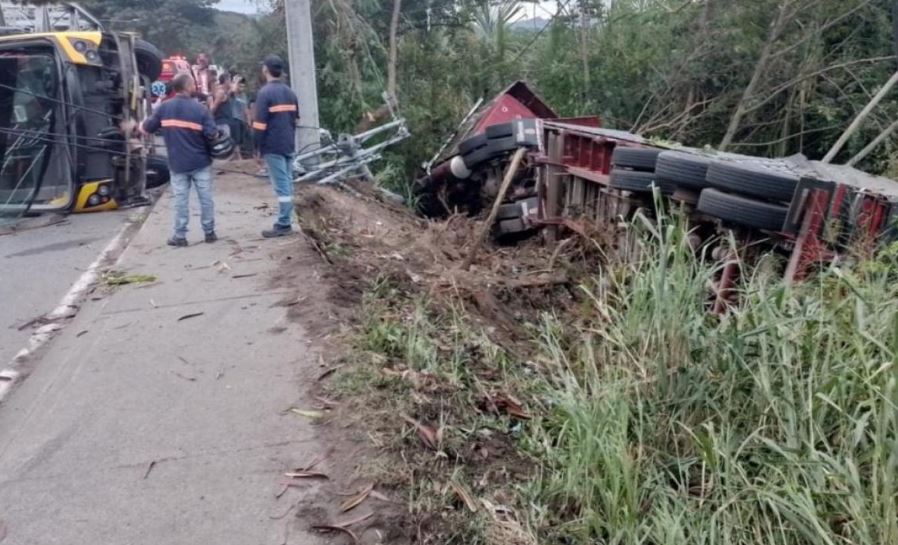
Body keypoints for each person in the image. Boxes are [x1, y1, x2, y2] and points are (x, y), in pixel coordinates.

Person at [140, 73, 219, 247]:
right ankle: (209, 232)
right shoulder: (200, 109)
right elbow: (212, 134)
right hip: (201, 162)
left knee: (181, 200)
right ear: (188, 87)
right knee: (205, 198)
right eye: (192, 85)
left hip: (177, 164)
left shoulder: (164, 108)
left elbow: (147, 128)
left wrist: (135, 126)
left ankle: (180, 236)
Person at [253, 54, 299, 238]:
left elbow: (259, 125)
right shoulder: (290, 92)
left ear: (265, 70)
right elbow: (295, 120)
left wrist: (257, 148)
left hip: (272, 145)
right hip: (288, 143)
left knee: (281, 186)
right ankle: (288, 218)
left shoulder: (265, 93)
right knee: (287, 182)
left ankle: (284, 223)